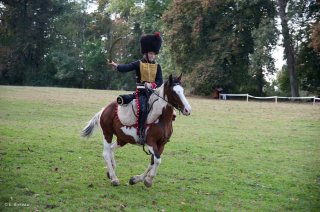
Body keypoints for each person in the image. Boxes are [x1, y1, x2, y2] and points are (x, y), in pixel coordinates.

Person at [109, 32, 163, 144]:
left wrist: (152, 85)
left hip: (154, 93)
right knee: (143, 109)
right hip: (141, 93)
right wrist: (117, 66)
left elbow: (160, 81)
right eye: (150, 53)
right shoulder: (138, 63)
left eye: (153, 53)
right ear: (146, 53)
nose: (152, 55)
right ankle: (141, 133)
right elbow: (126, 67)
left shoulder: (158, 66)